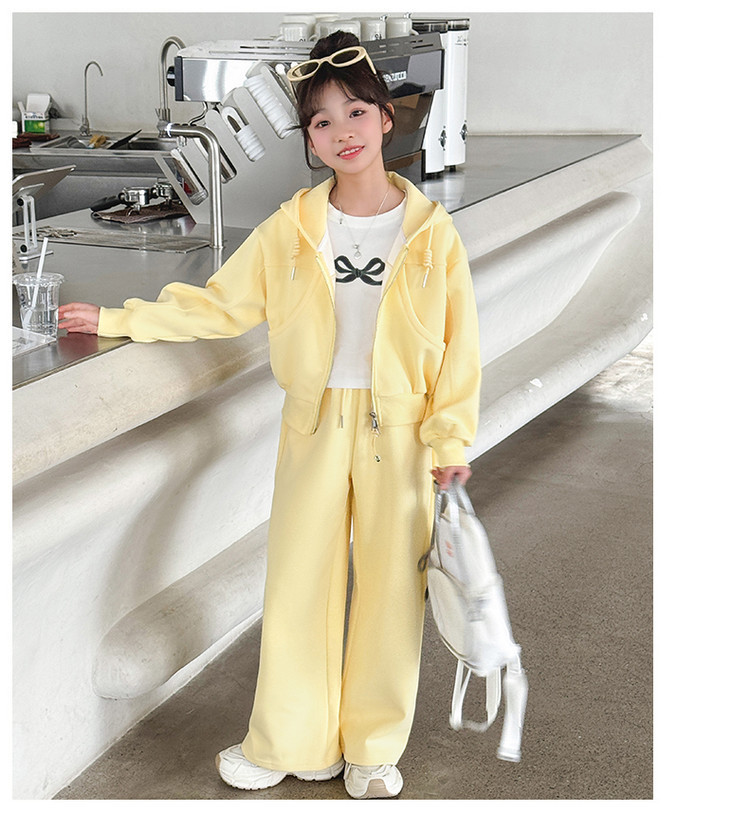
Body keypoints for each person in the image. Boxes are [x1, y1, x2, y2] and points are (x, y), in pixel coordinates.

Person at [59, 32, 481, 800]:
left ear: (387, 117)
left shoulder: (431, 232)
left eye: (355, 111)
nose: (341, 131)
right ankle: (292, 741)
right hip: (313, 425)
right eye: (321, 121)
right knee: (297, 583)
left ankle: (373, 748)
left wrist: (450, 438)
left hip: (403, 434)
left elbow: (460, 349)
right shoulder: (291, 228)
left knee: (393, 591)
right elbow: (219, 306)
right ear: (309, 140)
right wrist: (121, 318)